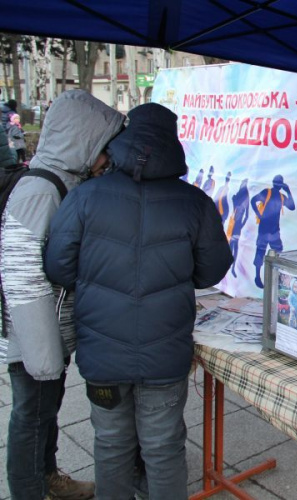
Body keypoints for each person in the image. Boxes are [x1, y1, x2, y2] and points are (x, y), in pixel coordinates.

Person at [44, 102, 233, 500]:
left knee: (111, 445)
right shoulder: (195, 202)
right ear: (173, 142)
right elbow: (211, 271)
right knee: (163, 448)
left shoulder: (84, 197)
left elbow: (58, 268)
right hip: (164, 351)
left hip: (102, 352)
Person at [1, 89, 125, 500]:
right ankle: (29, 491)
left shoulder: (61, 182)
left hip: (48, 334)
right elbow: (23, 280)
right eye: (102, 148)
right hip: (35, 340)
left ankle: (48, 478)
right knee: (30, 418)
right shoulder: (39, 191)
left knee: (44, 415)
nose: (106, 159)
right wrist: (44, 357)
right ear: (82, 140)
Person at [250, 174, 295, 289]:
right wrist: (259, 214)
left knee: (278, 253)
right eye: (278, 182)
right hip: (265, 229)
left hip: (274, 230)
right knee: (261, 251)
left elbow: (292, 206)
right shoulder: (267, 192)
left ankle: (275, 278)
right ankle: (257, 277)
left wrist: (288, 190)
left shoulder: (281, 196)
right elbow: (253, 200)